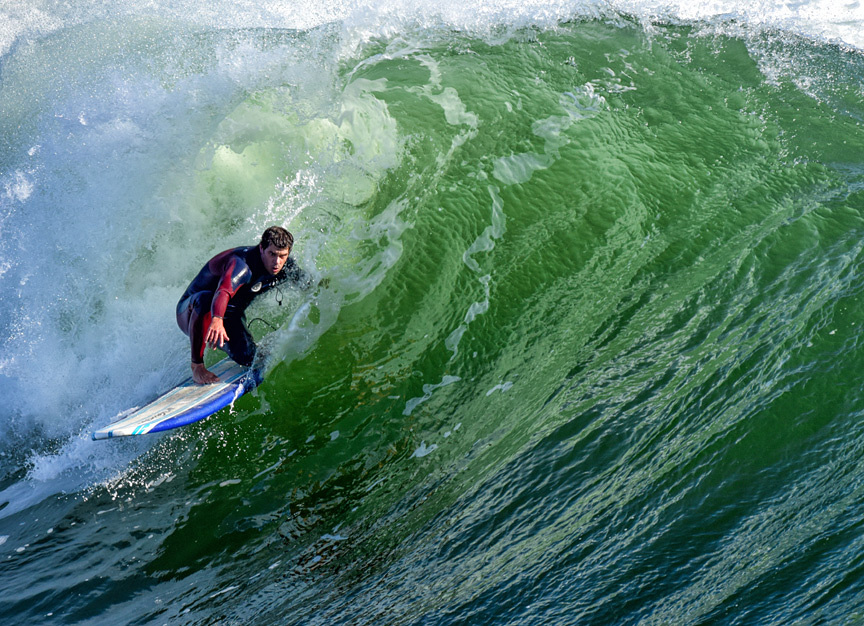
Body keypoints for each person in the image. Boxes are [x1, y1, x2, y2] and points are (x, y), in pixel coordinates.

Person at [177, 226, 309, 384]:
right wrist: (217, 319)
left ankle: (251, 348)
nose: (277, 262)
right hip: (193, 311)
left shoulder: (285, 266)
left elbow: (305, 282)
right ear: (261, 248)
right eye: (272, 254)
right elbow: (223, 292)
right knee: (206, 299)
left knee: (248, 358)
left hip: (230, 313)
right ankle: (197, 366)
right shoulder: (241, 265)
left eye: (282, 256)